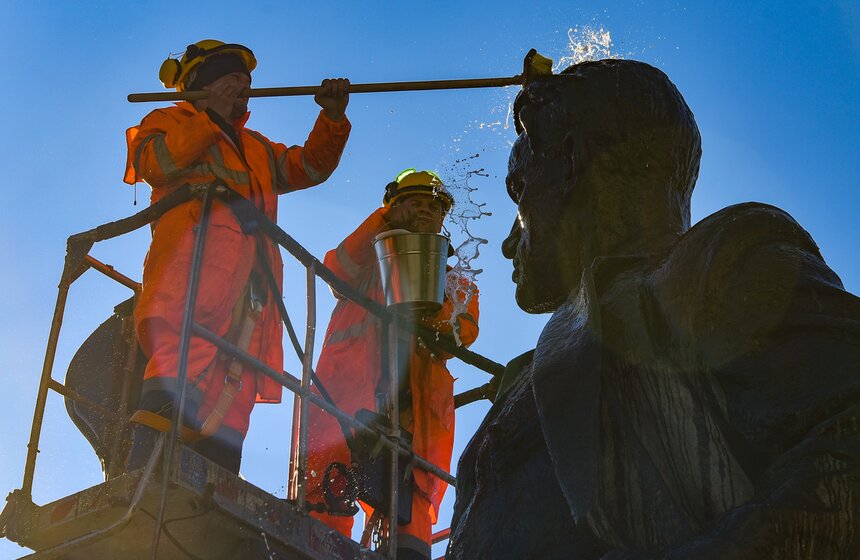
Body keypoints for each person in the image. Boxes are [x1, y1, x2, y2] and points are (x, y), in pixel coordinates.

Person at [449, 59, 860, 559]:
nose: (508, 243)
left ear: (572, 160)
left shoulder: (727, 263)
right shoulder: (524, 377)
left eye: (519, 193)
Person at [122, 39, 351, 474]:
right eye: (231, 81)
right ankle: (146, 474)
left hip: (251, 295)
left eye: (245, 84)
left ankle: (215, 484)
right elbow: (156, 164)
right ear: (201, 84)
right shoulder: (168, 120)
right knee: (179, 366)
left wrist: (333, 118)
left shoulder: (257, 147)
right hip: (190, 279)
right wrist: (208, 117)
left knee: (234, 390)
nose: (242, 91)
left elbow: (310, 167)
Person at [306, 169, 480, 560]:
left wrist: (429, 309)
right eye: (414, 202)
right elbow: (335, 269)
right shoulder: (367, 264)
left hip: (414, 420)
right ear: (393, 207)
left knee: (411, 521)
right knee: (324, 499)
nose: (425, 211)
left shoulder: (456, 284)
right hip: (345, 401)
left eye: (434, 207)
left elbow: (464, 331)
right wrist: (382, 223)